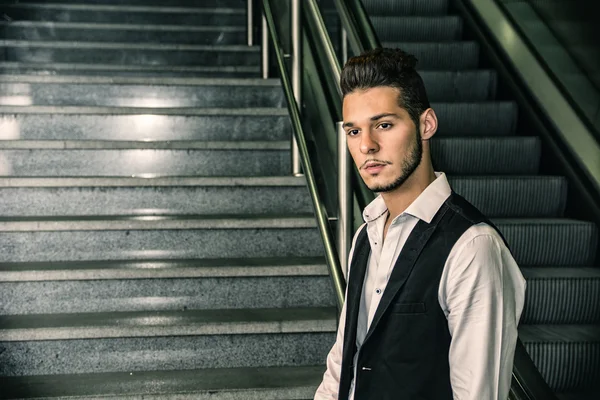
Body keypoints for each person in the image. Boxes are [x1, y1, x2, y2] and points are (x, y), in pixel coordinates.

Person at [313, 48, 526, 400]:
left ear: (425, 124)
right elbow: (343, 361)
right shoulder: (366, 234)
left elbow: (477, 393)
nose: (366, 145)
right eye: (353, 131)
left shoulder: (472, 247)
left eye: (384, 125)